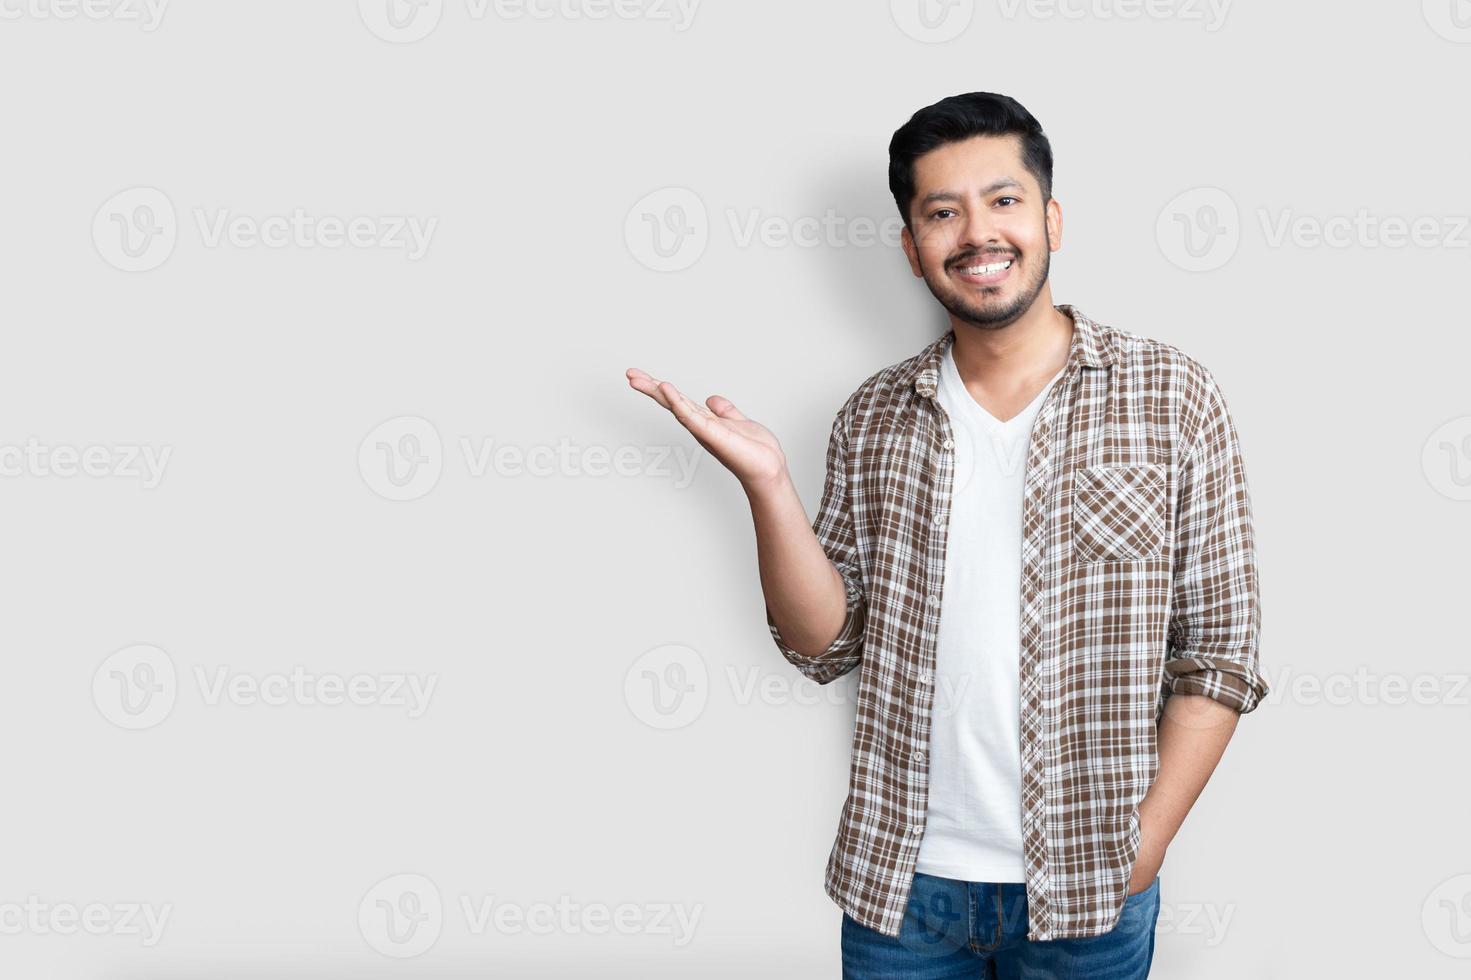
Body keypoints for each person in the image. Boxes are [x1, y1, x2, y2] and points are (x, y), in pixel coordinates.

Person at [626, 91, 1267, 979]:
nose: (977, 233)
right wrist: (766, 485)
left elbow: (1219, 652)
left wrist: (1144, 844)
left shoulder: (1171, 398)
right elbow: (825, 645)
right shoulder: (874, 416)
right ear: (911, 245)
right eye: (942, 212)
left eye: (1002, 201)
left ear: (1049, 218)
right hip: (904, 895)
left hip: (1092, 890)